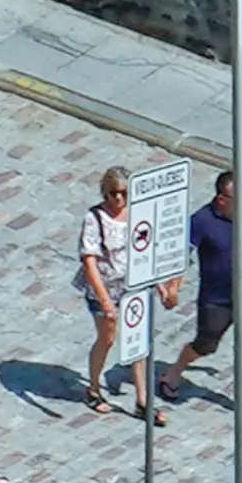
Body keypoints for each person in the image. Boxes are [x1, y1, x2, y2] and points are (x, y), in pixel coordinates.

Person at [168, 173, 242, 422]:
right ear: (221, 199)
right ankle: (173, 373)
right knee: (206, 345)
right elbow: (183, 255)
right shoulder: (202, 220)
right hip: (216, 298)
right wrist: (173, 287)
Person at [75, 168, 155, 421]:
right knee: (108, 337)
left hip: (132, 285)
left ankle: (143, 400)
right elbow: (90, 262)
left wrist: (163, 286)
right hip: (105, 286)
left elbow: (148, 248)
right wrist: (106, 301)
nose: (119, 199)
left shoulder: (138, 214)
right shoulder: (95, 218)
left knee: (137, 340)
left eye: (124, 194)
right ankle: (93, 387)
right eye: (113, 194)